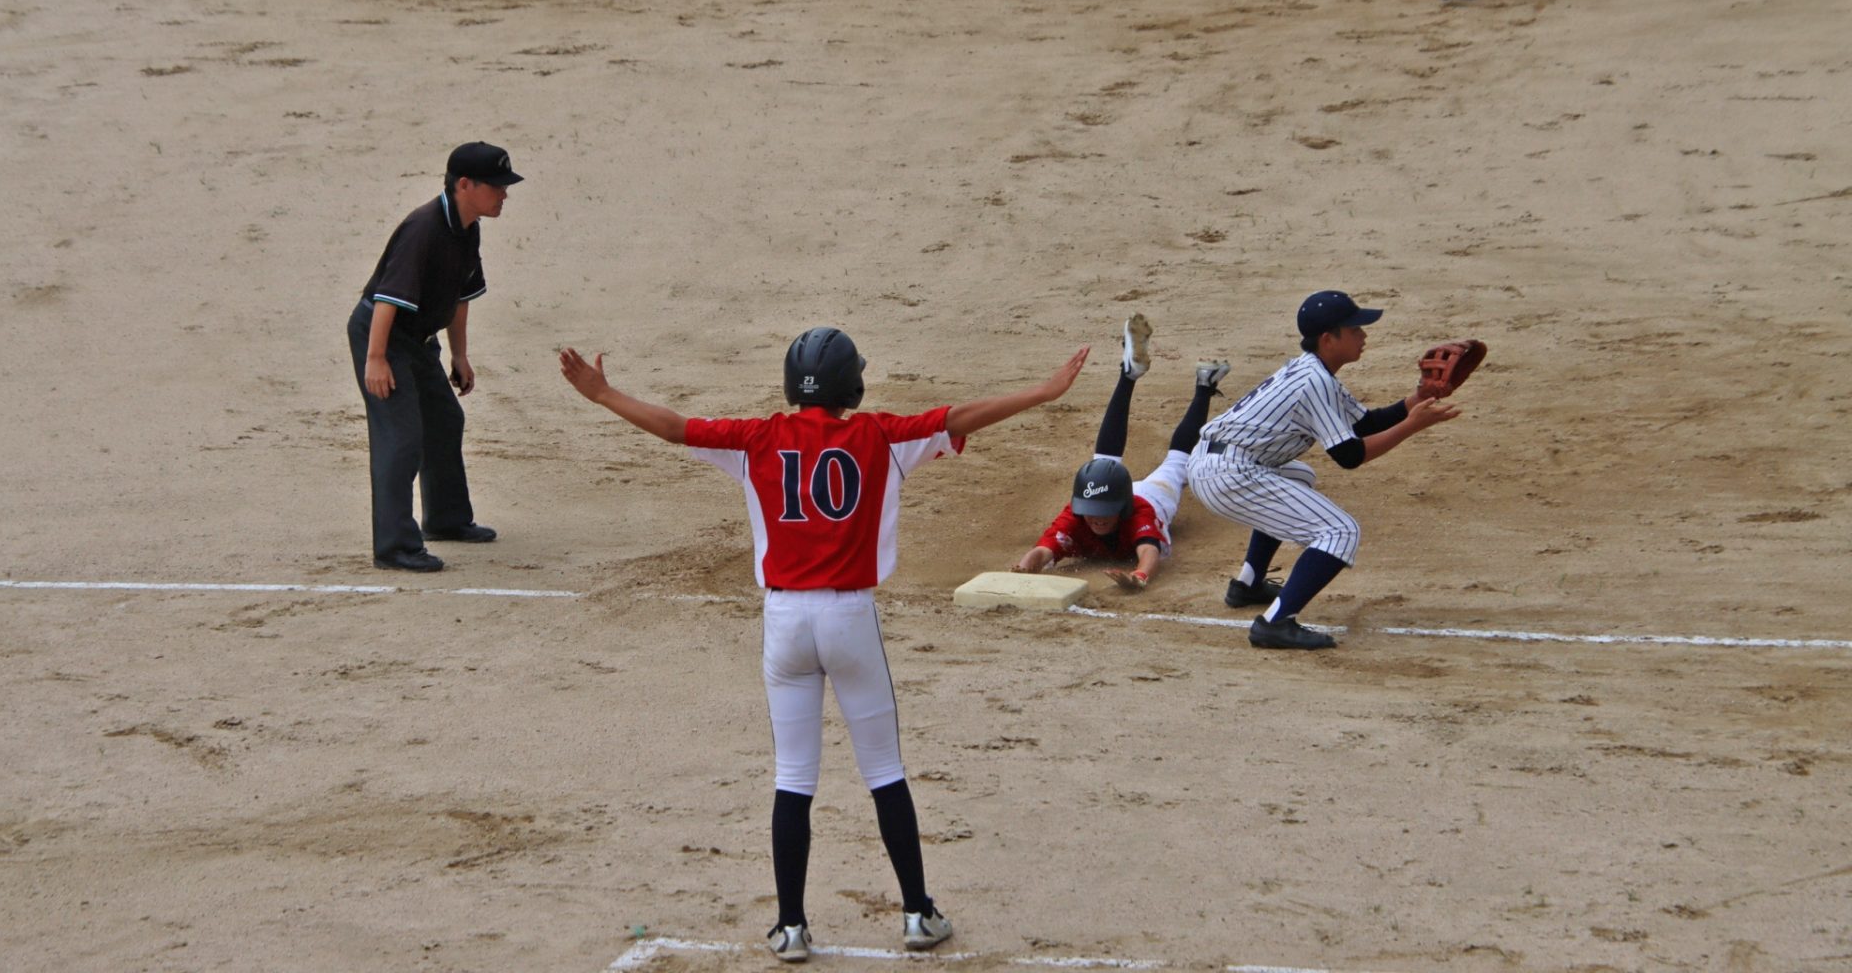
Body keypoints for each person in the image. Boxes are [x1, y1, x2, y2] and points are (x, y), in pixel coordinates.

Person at [558, 328, 1088, 963]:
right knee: (884, 772)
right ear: (852, 386)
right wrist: (1046, 389)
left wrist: (604, 392)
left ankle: (790, 928)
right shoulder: (881, 437)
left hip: (783, 623)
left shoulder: (756, 439)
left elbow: (673, 428)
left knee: (793, 777)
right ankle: (917, 914)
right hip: (849, 619)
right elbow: (961, 416)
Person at [1186, 292, 1459, 650]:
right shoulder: (1314, 381)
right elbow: (1350, 455)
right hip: (1228, 474)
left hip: (1216, 463)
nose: (1364, 335)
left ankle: (1248, 585)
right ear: (1329, 339)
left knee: (1299, 477)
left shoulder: (1313, 371)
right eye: (1355, 329)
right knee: (1340, 531)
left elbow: (1364, 424)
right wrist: (1413, 426)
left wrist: (1417, 397)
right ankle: (1274, 623)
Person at [347, 142, 521, 572]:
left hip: (419, 338)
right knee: (400, 438)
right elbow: (387, 299)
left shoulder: (468, 225)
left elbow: (460, 295)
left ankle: (446, 519)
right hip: (383, 336)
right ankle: (395, 547)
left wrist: (459, 355)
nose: (504, 195)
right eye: (496, 186)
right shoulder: (423, 228)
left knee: (445, 420)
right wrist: (376, 360)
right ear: (465, 185)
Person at [1012, 315, 1231, 593]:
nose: (1097, 518)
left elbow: (1148, 553)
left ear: (1122, 508)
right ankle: (1129, 375)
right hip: (1114, 490)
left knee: (1177, 464)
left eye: (1105, 512)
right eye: (1091, 511)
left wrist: (1139, 575)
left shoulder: (1139, 512)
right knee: (1102, 464)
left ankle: (1204, 385)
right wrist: (1023, 569)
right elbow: (1043, 551)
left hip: (1154, 494)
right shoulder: (1078, 513)